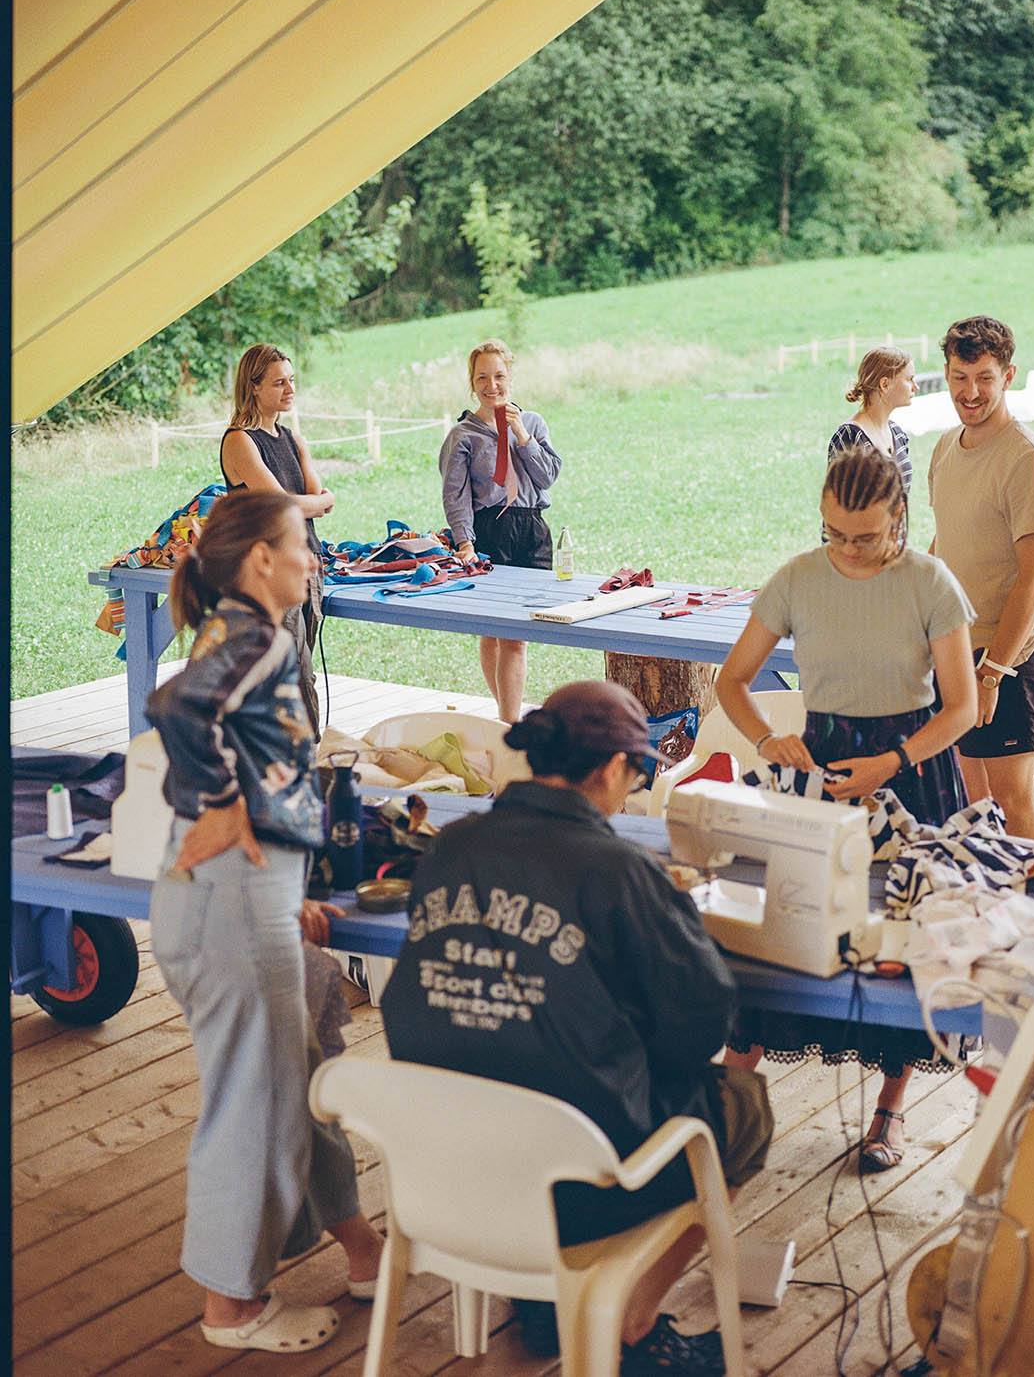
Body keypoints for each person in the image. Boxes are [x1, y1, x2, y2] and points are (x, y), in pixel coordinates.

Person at [380, 680, 774, 1376]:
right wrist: (673, 914)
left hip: (446, 1163)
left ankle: (537, 1292)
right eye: (639, 770)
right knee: (742, 1107)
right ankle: (630, 1316)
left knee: (515, 1055)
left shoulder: (450, 846)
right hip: (579, 1176)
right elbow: (702, 1023)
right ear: (615, 768)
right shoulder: (618, 869)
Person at [147, 491, 383, 1353]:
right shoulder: (258, 633)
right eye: (301, 546)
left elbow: (252, 754)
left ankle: (356, 1243)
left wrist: (286, 880)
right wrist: (219, 803)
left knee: (303, 1058)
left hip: (244, 896)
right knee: (256, 1102)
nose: (312, 559)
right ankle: (232, 1306)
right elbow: (178, 707)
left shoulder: (235, 625)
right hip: (231, 899)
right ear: (260, 561)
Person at [715, 447, 977, 1171]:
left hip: (911, 766)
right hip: (823, 764)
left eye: (865, 536)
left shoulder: (931, 581)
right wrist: (770, 736)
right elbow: (732, 680)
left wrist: (894, 762)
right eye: (834, 533)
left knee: (897, 942)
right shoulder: (799, 576)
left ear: (899, 516)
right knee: (788, 925)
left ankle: (889, 1109)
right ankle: (730, 1095)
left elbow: (963, 707)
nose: (848, 550)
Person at [929, 315, 1034, 842]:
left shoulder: (1028, 458)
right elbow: (946, 544)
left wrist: (993, 674)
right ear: (946, 374)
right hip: (956, 649)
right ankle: (990, 904)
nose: (972, 392)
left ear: (1008, 376)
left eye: (984, 377)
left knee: (1013, 799)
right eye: (961, 377)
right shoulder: (946, 446)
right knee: (973, 799)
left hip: (1008, 659)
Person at [438, 339, 562, 723]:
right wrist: (464, 542)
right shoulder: (463, 435)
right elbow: (455, 495)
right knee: (496, 632)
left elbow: (547, 477)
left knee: (517, 632)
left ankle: (506, 716)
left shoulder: (534, 423)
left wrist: (522, 436)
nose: (492, 385)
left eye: (499, 376)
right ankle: (510, 721)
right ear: (472, 383)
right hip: (490, 531)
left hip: (532, 531)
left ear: (511, 376)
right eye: (482, 378)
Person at [221, 343, 335, 735]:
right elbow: (282, 505)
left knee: (303, 668)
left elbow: (321, 499)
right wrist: (314, 502)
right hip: (269, 571)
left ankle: (303, 757)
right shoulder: (239, 441)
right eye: (278, 383)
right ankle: (304, 756)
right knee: (290, 670)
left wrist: (313, 502)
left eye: (291, 381)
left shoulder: (293, 439)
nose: (290, 390)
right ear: (253, 387)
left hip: (307, 563)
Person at [827, 345, 917, 500]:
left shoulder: (898, 433)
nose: (916, 387)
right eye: (909, 379)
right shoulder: (849, 437)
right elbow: (835, 506)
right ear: (885, 384)